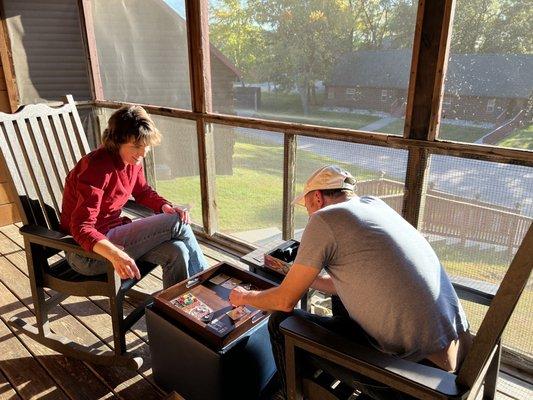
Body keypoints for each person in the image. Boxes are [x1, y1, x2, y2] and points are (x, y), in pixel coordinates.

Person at [230, 165, 471, 399]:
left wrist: (244, 297)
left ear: (316, 198)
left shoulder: (324, 218)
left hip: (415, 381)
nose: (309, 214)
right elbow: (352, 283)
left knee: (281, 323)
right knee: (342, 301)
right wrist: (307, 280)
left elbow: (284, 302)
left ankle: (289, 392)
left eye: (307, 208)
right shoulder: (374, 205)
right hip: (458, 355)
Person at [60, 105, 208, 288]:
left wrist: (164, 206)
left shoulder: (130, 161)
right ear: (116, 141)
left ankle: (174, 309)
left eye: (145, 146)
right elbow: (81, 227)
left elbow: (142, 191)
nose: (143, 153)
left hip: (113, 235)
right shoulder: (95, 168)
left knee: (177, 250)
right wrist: (114, 254)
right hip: (87, 254)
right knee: (176, 221)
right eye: (136, 147)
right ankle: (208, 285)